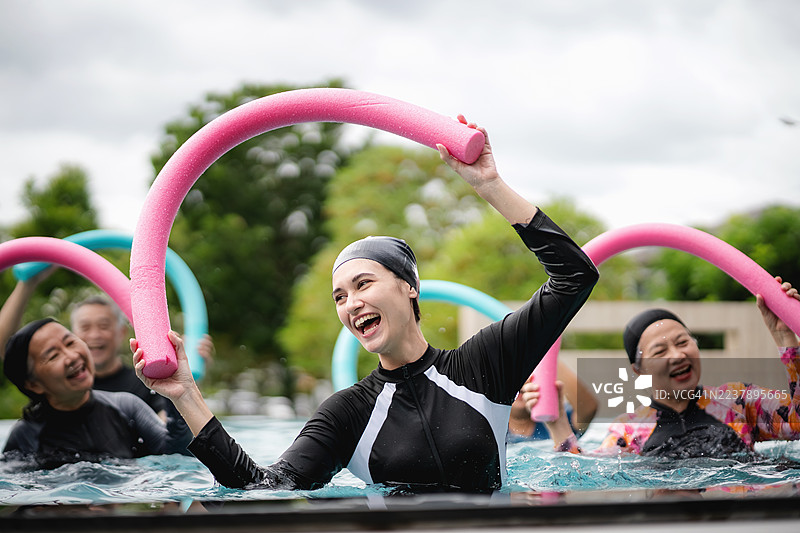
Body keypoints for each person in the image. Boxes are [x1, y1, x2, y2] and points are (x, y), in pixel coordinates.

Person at [131, 116, 600, 492]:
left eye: (363, 284)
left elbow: (575, 275)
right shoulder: (346, 413)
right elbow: (262, 489)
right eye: (340, 296)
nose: (351, 303)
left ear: (409, 286)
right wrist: (186, 395)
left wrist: (489, 185)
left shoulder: (483, 365)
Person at [537, 279, 800, 458]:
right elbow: (582, 479)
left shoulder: (739, 401)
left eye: (683, 342)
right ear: (638, 370)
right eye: (660, 351)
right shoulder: (628, 431)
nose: (677, 355)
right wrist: (558, 424)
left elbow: (797, 424)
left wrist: (786, 340)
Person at [0, 270, 215, 421]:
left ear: (122, 332)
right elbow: (10, 353)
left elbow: (172, 436)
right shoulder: (51, 389)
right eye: (85, 327)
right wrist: (27, 283)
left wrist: (190, 380)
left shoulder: (147, 381)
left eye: (104, 326)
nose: (94, 335)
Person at [2, 318, 192, 468]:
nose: (72, 356)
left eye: (70, 342)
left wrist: (174, 398)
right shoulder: (26, 436)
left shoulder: (126, 407)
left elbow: (177, 457)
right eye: (53, 355)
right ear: (34, 385)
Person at [508, 360, 598, 442]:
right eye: (515, 376)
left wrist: (547, 352)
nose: (524, 381)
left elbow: (589, 409)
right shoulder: (494, 427)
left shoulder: (558, 415)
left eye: (529, 374)